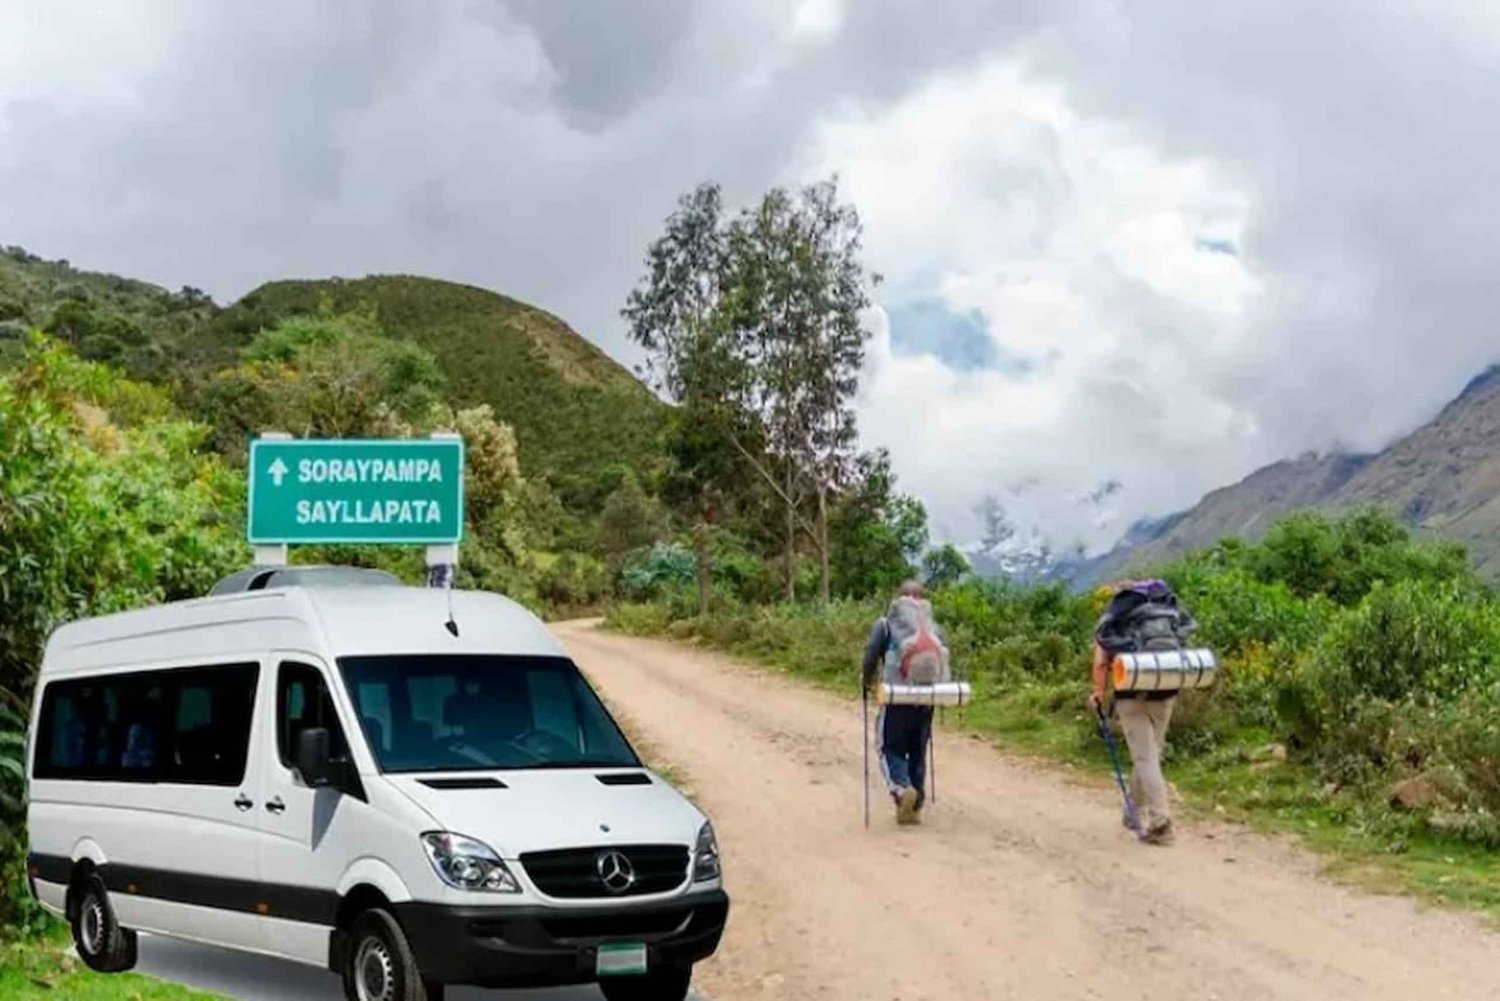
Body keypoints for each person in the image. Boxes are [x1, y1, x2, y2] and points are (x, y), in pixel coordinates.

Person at [1089, 579, 1196, 846]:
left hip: (1131, 696)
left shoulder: (1115, 621)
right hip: (1166, 690)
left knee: (1146, 757)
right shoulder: (1163, 614)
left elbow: (1102, 663)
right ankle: (1133, 811)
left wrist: (1099, 694)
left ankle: (1161, 824)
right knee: (1149, 754)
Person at [862, 580, 945, 826]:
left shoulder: (886, 625)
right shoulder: (932, 627)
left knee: (888, 747)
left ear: (898, 599)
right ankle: (915, 807)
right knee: (918, 749)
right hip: (927, 699)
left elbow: (870, 655)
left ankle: (901, 788)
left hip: (896, 697)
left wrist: (866, 681)